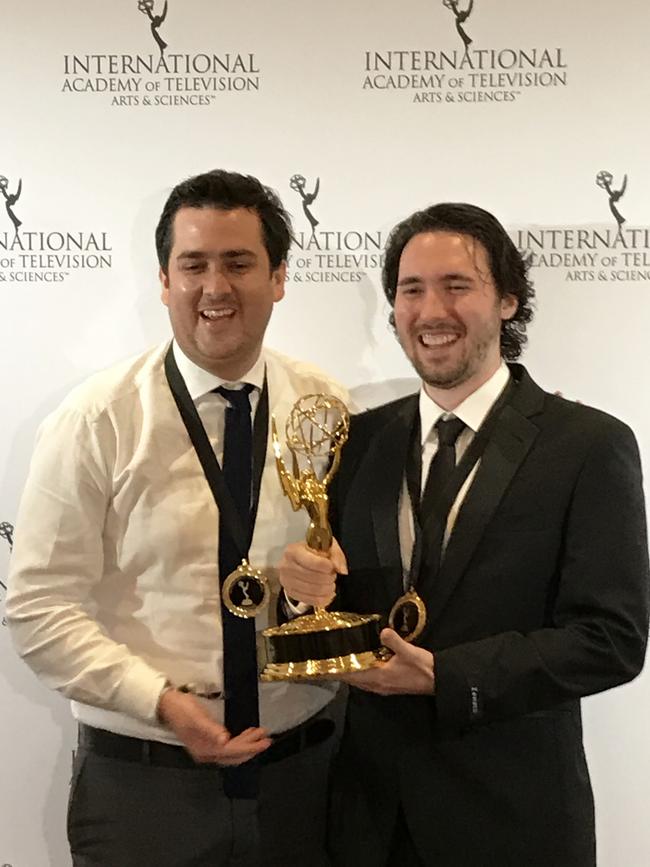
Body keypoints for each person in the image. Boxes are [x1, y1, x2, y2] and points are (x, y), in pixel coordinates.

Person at [278, 202, 650, 867]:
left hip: (514, 823)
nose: (430, 309)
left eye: (457, 284)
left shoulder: (589, 445)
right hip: (369, 822)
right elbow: (341, 609)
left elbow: (612, 640)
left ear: (508, 299)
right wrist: (305, 595)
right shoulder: (357, 442)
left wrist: (450, 677)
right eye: (410, 289)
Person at [6, 169, 348, 867]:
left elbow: (359, 563)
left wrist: (322, 585)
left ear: (279, 277)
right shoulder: (97, 419)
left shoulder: (327, 405)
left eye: (239, 262)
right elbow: (38, 608)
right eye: (193, 264)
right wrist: (161, 701)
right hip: (146, 787)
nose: (215, 287)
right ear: (163, 280)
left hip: (306, 779)